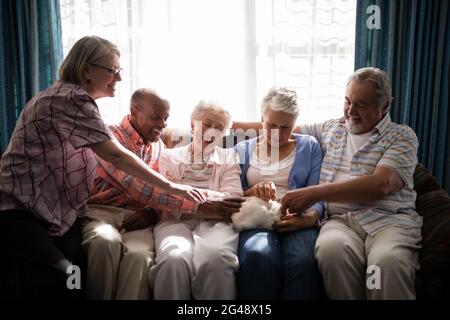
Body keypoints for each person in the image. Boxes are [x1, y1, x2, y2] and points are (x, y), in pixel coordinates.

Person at [0, 36, 205, 300]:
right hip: (20, 211)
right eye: (113, 70)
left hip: (54, 214)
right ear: (87, 70)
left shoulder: (74, 100)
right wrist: (173, 187)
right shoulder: (71, 100)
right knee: (68, 277)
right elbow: (116, 156)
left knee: (78, 271)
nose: (118, 78)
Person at [281, 67, 422, 299]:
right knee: (331, 251)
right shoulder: (331, 128)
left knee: (385, 263)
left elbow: (381, 185)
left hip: (389, 221)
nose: (351, 111)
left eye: (361, 105)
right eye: (347, 101)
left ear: (384, 107)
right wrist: (221, 125)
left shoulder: (402, 136)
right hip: (340, 222)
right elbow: (280, 128)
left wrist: (314, 193)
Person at [82, 88, 194, 300]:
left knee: (139, 256)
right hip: (101, 211)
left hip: (137, 216)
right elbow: (133, 183)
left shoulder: (159, 146)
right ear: (134, 112)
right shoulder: (108, 135)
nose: (162, 124)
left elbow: (161, 187)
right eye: (155, 118)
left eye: (166, 118)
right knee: (105, 241)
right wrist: (195, 203)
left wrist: (151, 212)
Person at [234, 87, 324, 299]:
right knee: (257, 256)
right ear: (261, 119)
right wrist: (252, 191)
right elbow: (231, 193)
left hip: (298, 218)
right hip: (257, 218)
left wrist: (310, 219)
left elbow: (317, 192)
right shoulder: (242, 149)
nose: (278, 134)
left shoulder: (309, 146)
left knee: (303, 260)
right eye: (271, 125)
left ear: (295, 124)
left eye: (286, 127)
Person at [149, 100, 244, 300]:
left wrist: (186, 196)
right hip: (174, 221)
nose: (212, 131)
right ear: (193, 125)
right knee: (173, 259)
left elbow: (233, 198)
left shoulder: (229, 157)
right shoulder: (169, 156)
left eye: (219, 128)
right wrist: (209, 201)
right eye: (207, 124)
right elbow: (166, 197)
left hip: (217, 222)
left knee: (216, 258)